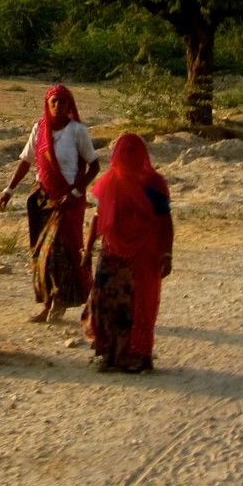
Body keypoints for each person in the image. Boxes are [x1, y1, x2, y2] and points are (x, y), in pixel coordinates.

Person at [0, 84, 99, 323]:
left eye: (62, 102)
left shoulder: (77, 131)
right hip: (42, 198)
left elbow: (94, 165)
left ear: (69, 106)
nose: (57, 106)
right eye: (53, 101)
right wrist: (9, 189)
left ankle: (62, 302)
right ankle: (47, 303)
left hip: (68, 200)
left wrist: (75, 192)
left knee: (62, 252)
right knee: (41, 253)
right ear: (47, 104)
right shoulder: (39, 129)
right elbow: (26, 161)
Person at [81, 133, 174, 373]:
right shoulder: (111, 182)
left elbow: (165, 221)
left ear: (142, 155)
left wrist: (167, 254)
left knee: (139, 306)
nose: (127, 158)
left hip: (143, 255)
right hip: (111, 253)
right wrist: (88, 248)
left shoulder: (154, 185)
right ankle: (108, 354)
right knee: (104, 302)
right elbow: (97, 217)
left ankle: (139, 356)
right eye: (124, 153)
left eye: (133, 153)